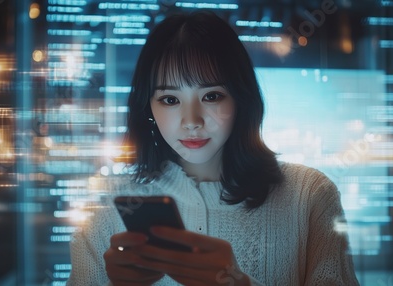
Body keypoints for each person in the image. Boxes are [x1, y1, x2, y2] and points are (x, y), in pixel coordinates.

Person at [67, 11, 359, 286]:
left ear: (240, 100)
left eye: (211, 96)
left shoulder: (309, 195)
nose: (192, 121)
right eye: (170, 99)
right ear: (148, 108)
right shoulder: (106, 208)